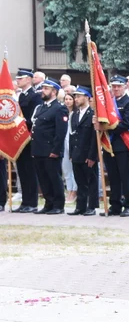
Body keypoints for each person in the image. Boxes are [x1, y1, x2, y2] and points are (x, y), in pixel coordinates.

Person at [30, 79, 68, 214]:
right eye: (43, 88)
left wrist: (56, 150)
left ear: (54, 92)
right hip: (38, 149)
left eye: (46, 89)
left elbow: (60, 132)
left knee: (54, 178)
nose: (43, 91)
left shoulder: (59, 108)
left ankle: (58, 205)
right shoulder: (40, 107)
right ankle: (48, 203)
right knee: (43, 178)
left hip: (51, 149)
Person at [101, 76, 129, 216]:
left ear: (125, 87)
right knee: (113, 177)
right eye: (113, 86)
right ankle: (115, 205)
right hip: (109, 144)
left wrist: (106, 126)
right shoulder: (108, 103)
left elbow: (126, 124)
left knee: (125, 177)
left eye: (119, 86)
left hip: (122, 144)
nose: (116, 89)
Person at [67, 86, 99, 216]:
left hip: (87, 153)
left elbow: (94, 138)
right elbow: (72, 135)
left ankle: (91, 206)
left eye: (79, 96)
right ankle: (80, 206)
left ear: (87, 97)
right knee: (79, 181)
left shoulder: (92, 114)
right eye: (75, 96)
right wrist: (71, 153)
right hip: (76, 153)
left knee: (91, 181)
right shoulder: (74, 114)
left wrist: (92, 156)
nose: (76, 99)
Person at [14, 69, 42, 213]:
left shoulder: (35, 96)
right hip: (19, 138)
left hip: (29, 138)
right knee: (22, 171)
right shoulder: (20, 96)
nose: (18, 80)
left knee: (30, 171)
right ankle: (25, 201)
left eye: (21, 78)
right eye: (17, 78)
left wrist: (21, 123)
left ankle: (32, 202)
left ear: (29, 79)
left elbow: (34, 118)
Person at [61, 92, 77, 203]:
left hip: (72, 142)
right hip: (63, 141)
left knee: (74, 169)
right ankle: (69, 189)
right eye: (66, 99)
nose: (67, 101)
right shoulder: (62, 112)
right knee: (66, 168)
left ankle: (74, 191)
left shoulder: (76, 113)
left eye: (70, 99)